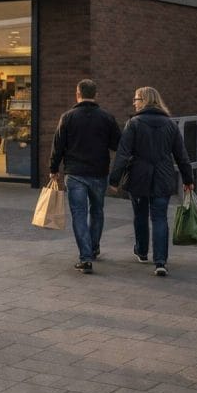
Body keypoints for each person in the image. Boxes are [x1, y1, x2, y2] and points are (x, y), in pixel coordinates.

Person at [109, 87, 194, 276]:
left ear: (145, 100)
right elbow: (182, 155)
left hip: (139, 177)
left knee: (140, 215)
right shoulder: (170, 125)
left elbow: (123, 154)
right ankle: (161, 262)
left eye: (136, 98)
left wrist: (114, 180)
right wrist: (188, 179)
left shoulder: (134, 124)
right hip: (164, 177)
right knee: (160, 218)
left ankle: (141, 251)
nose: (134, 102)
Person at [48, 79, 122, 274]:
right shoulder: (107, 118)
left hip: (75, 174)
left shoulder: (67, 117)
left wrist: (53, 168)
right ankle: (94, 247)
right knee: (97, 211)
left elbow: (58, 146)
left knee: (79, 215)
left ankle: (85, 257)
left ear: (77, 94)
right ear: (96, 95)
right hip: (99, 173)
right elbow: (118, 145)